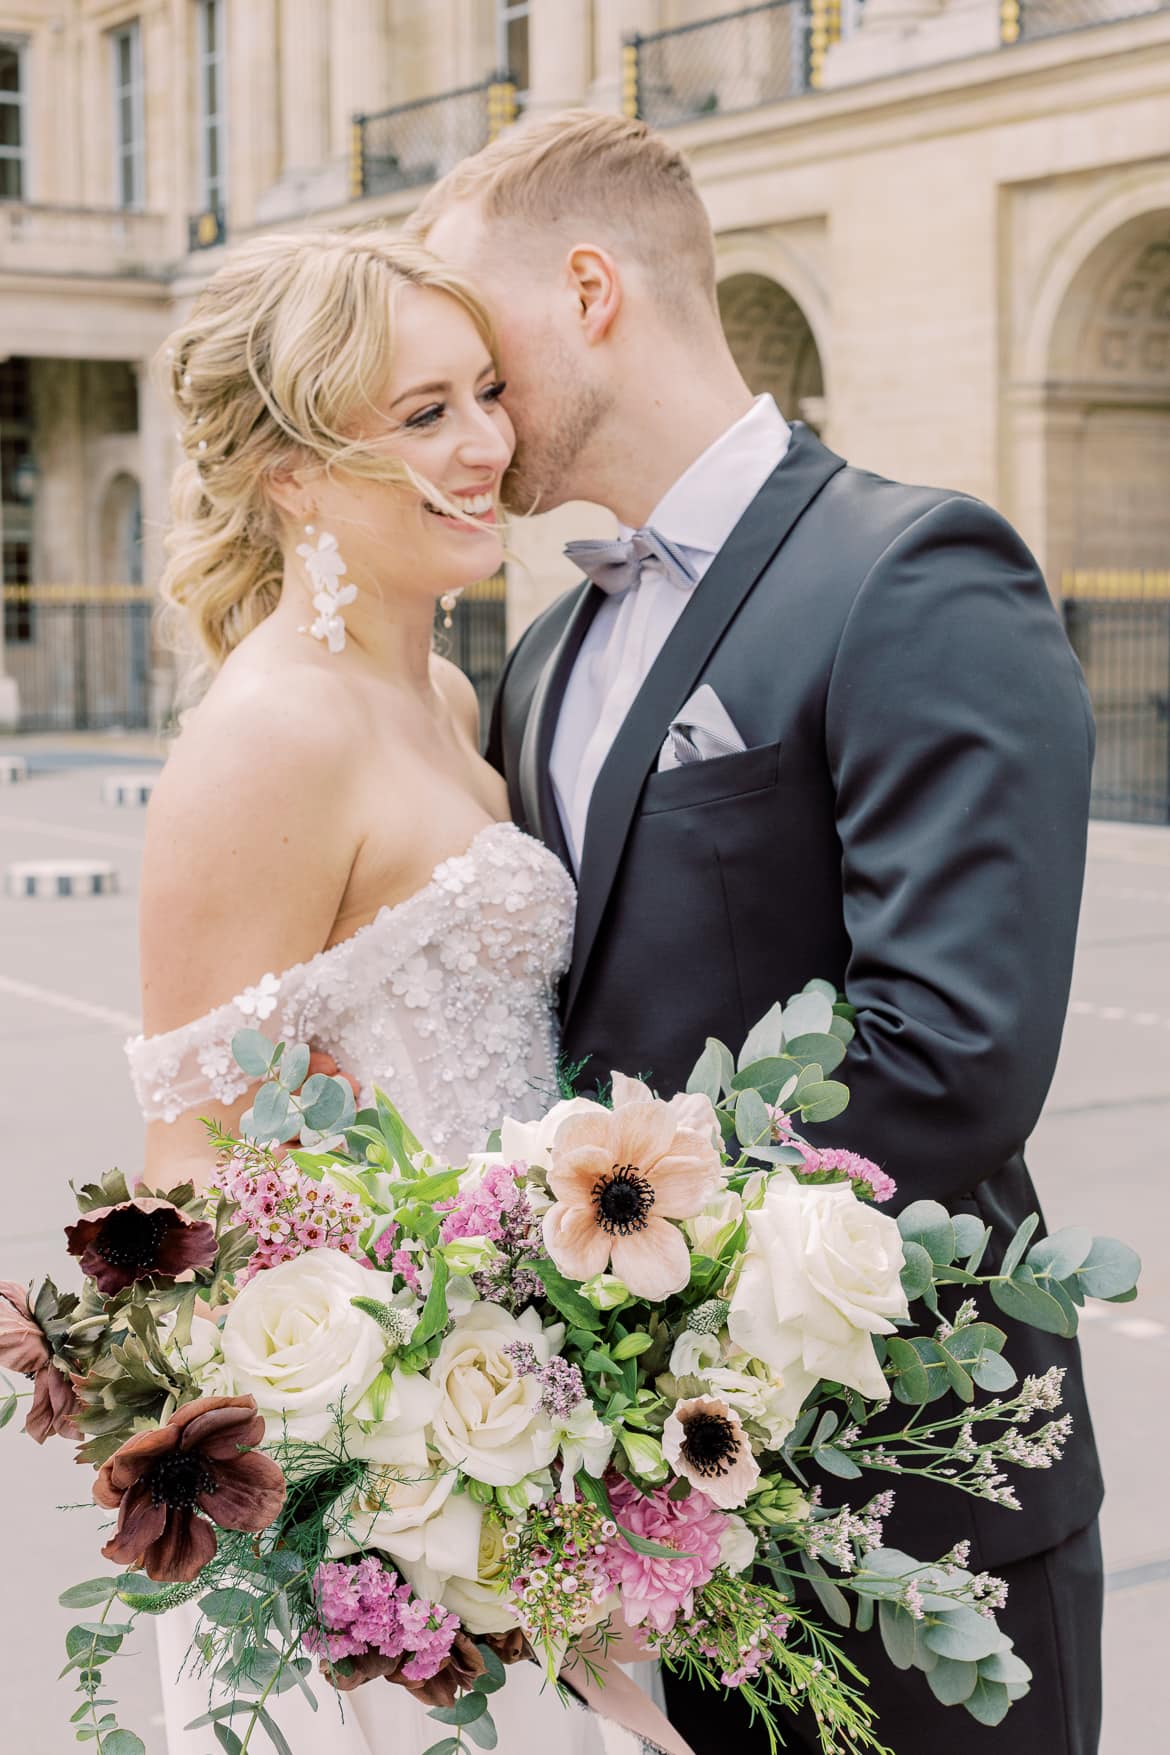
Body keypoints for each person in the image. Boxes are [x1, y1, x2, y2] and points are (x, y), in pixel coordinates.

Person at [411, 110, 1104, 1755]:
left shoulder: (913, 570)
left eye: (480, 351)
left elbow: (951, 1059)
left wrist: (583, 1251)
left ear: (589, 290)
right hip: (638, 1534)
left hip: (908, 1516)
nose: (467, 402)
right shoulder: (551, 638)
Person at [124, 229, 636, 1755]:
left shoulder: (445, 696)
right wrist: (380, 1466)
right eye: (422, 416)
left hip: (533, 1431)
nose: (487, 442)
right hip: (384, 1518)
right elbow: (187, 1162)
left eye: (484, 392)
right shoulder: (269, 737)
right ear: (287, 470)